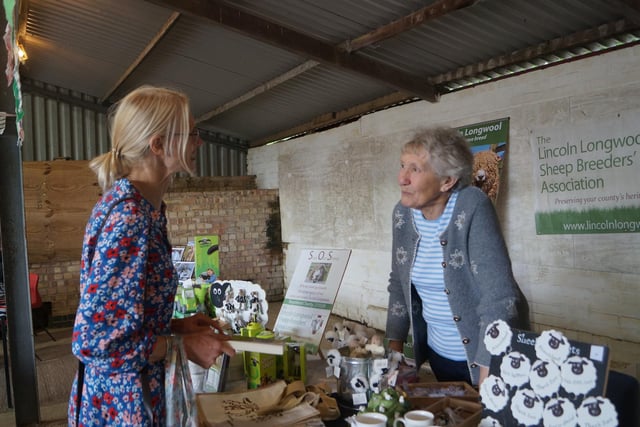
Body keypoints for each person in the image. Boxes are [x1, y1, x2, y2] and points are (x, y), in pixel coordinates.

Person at [68, 86, 235, 426]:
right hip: (123, 406)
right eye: (192, 133)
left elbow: (126, 318)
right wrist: (184, 347)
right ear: (158, 145)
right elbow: (97, 343)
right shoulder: (129, 219)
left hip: (135, 395)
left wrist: (176, 328)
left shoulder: (145, 210)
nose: (199, 142)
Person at [385, 126, 529, 387]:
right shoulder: (402, 215)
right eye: (402, 165)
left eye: (415, 169)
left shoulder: (472, 206)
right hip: (440, 357)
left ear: (447, 181)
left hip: (488, 359)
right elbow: (399, 283)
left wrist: (488, 373)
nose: (402, 178)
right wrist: (392, 355)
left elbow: (500, 296)